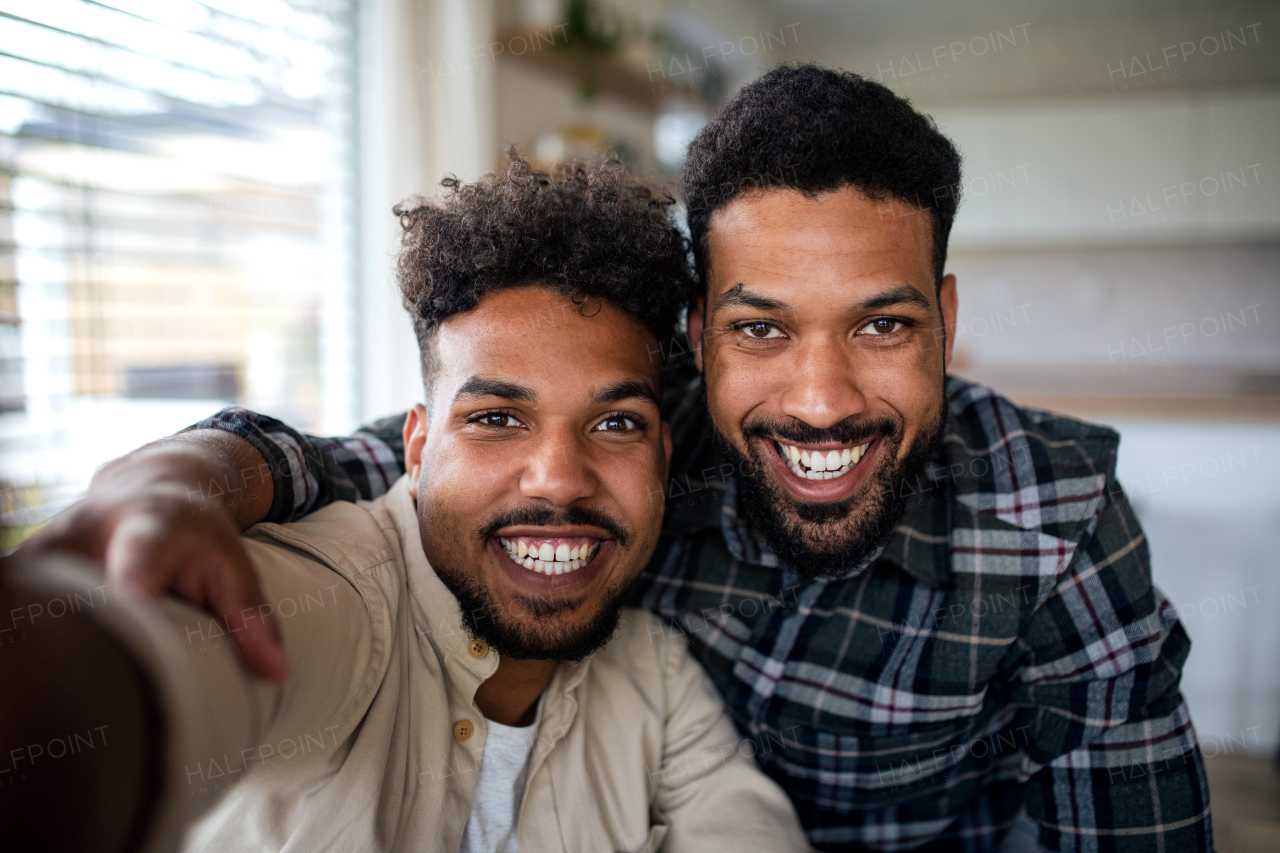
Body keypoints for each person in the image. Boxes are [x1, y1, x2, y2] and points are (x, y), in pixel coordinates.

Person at [28, 66, 1212, 852]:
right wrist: (175, 484)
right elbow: (378, 493)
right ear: (700, 340)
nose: (819, 398)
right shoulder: (617, 448)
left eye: (881, 324)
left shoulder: (1047, 519)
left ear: (945, 321)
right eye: (760, 327)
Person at [3, 159, 810, 853]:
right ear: (416, 450)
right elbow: (145, 669)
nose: (560, 480)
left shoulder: (657, 677)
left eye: (615, 423)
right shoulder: (338, 597)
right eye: (497, 418)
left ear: (663, 458)